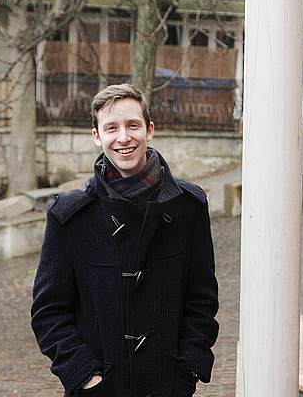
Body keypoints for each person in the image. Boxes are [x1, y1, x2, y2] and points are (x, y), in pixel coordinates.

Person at [31, 84, 219, 396]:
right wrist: (84, 375)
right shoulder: (69, 215)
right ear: (96, 136)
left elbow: (202, 298)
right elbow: (49, 312)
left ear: (150, 130)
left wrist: (187, 368)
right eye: (111, 128)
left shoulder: (189, 206)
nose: (124, 137)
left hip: (168, 386)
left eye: (133, 125)